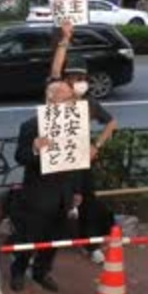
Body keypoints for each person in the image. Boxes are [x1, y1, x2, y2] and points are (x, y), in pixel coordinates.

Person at [49, 23, 118, 263]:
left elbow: (111, 123)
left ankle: (91, 245)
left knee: (88, 201)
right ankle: (44, 247)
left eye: (81, 78)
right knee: (56, 202)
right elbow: (55, 69)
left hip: (82, 158)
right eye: (73, 78)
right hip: (58, 157)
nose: (77, 81)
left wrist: (96, 146)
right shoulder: (57, 92)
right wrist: (64, 40)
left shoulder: (89, 102)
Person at [9, 77, 83, 292]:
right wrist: (34, 149)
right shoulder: (31, 125)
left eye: (72, 98)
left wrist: (77, 189)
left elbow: (78, 161)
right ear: (50, 99)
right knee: (28, 237)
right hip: (38, 193)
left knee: (55, 238)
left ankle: (42, 271)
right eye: (67, 98)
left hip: (64, 192)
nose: (72, 102)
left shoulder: (75, 125)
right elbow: (20, 157)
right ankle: (18, 271)